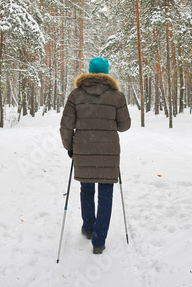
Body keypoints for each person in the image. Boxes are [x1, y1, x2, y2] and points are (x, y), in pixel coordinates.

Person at [60, 57, 131, 254]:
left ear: (90, 72)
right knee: (106, 193)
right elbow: (125, 126)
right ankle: (99, 241)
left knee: (87, 188)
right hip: (109, 153)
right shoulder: (117, 96)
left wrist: (70, 148)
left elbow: (66, 125)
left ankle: (89, 227)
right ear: (106, 73)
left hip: (83, 151)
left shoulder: (76, 95)